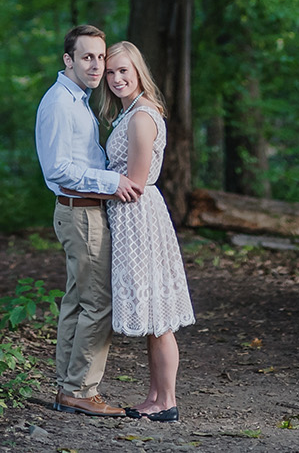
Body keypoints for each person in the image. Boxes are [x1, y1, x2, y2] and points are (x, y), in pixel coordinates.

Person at [35, 24, 144, 417]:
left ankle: (68, 386)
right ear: (69, 60)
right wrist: (114, 181)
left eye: (100, 57)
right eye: (88, 57)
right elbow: (59, 168)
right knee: (99, 303)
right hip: (79, 212)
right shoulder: (61, 104)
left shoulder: (78, 100)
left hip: (83, 210)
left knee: (78, 302)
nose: (97, 65)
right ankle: (80, 389)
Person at [103, 40, 196, 422]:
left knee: (158, 317)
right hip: (130, 218)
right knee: (151, 316)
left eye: (124, 70)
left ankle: (167, 401)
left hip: (139, 218)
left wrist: (94, 182)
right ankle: (156, 396)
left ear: (138, 71)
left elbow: (136, 181)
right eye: (110, 72)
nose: (117, 78)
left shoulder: (142, 116)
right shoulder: (125, 115)